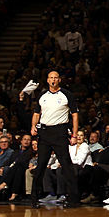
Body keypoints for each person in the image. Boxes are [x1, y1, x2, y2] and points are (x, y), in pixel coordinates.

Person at [30, 71, 79, 207]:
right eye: (51, 77)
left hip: (60, 132)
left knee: (66, 165)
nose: (53, 80)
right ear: (47, 80)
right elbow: (36, 112)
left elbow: (74, 115)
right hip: (45, 132)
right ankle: (34, 198)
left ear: (59, 80)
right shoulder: (42, 95)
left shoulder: (67, 94)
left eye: (55, 78)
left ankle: (73, 198)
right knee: (40, 165)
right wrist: (33, 126)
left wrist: (74, 134)